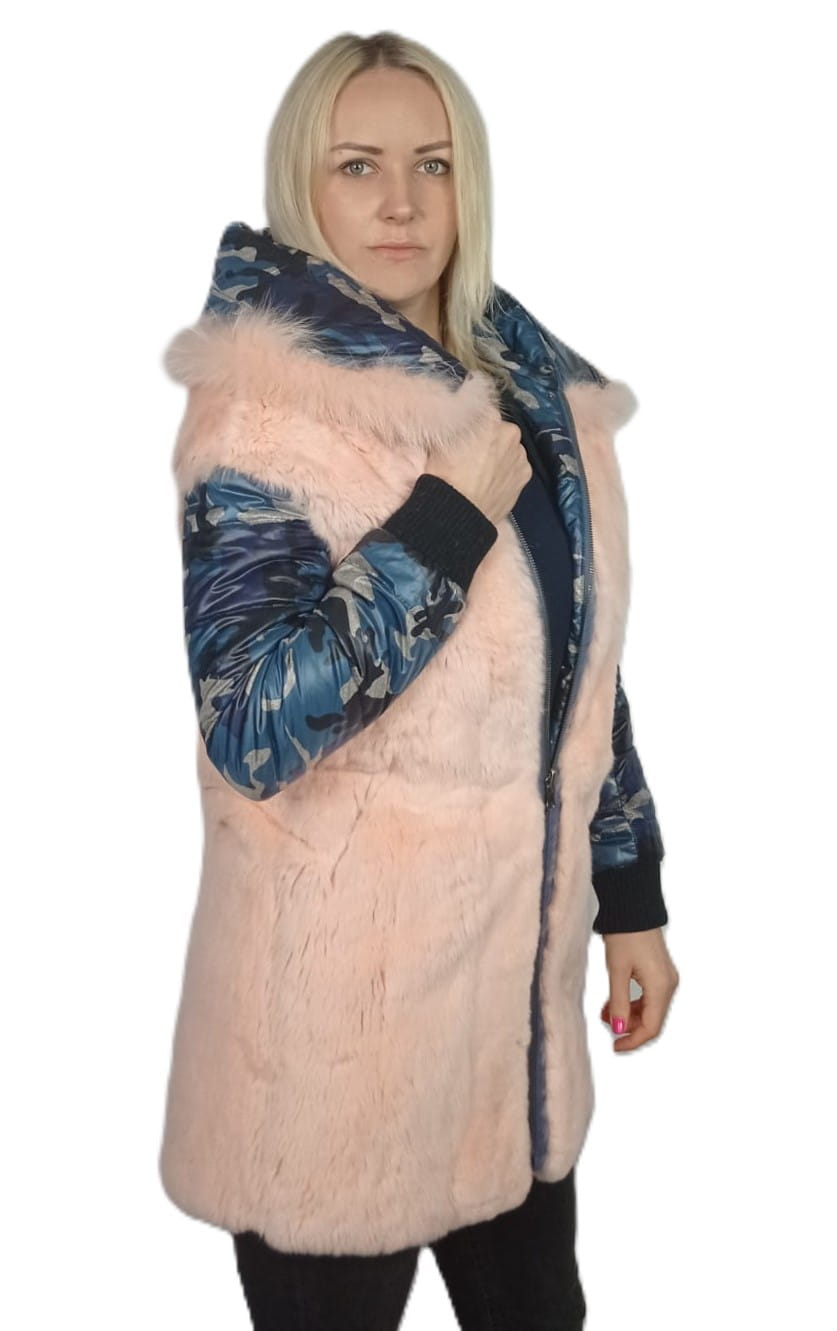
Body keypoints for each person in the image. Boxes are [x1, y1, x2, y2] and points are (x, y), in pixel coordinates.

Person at [158, 28, 680, 1331]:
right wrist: (440, 523)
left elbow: (583, 676)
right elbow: (252, 724)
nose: (400, 201)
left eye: (433, 165)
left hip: (507, 1021)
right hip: (335, 1037)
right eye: (358, 165)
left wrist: (630, 897)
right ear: (304, 185)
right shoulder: (260, 414)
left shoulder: (528, 394)